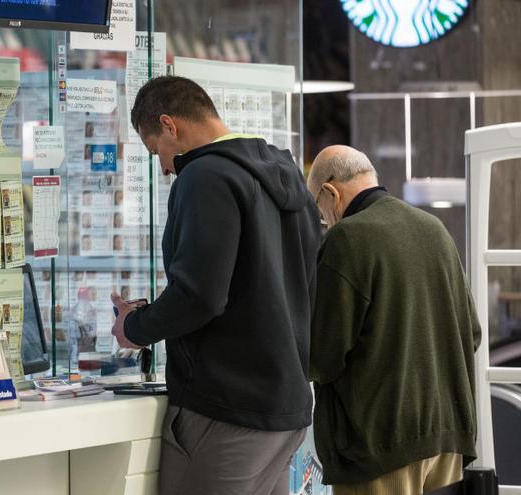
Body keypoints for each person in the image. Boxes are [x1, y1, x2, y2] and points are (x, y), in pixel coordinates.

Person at [111, 76, 321, 494]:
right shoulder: (286, 172)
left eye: (158, 151)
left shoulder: (204, 176)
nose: (165, 168)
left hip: (227, 411)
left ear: (170, 125)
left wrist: (134, 329)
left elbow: (199, 294)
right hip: (286, 406)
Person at [306, 145, 480, 495]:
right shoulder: (434, 229)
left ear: (330, 191)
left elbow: (322, 357)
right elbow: (471, 333)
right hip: (445, 438)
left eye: (318, 207)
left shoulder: (348, 238)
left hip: (380, 445)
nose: (324, 218)